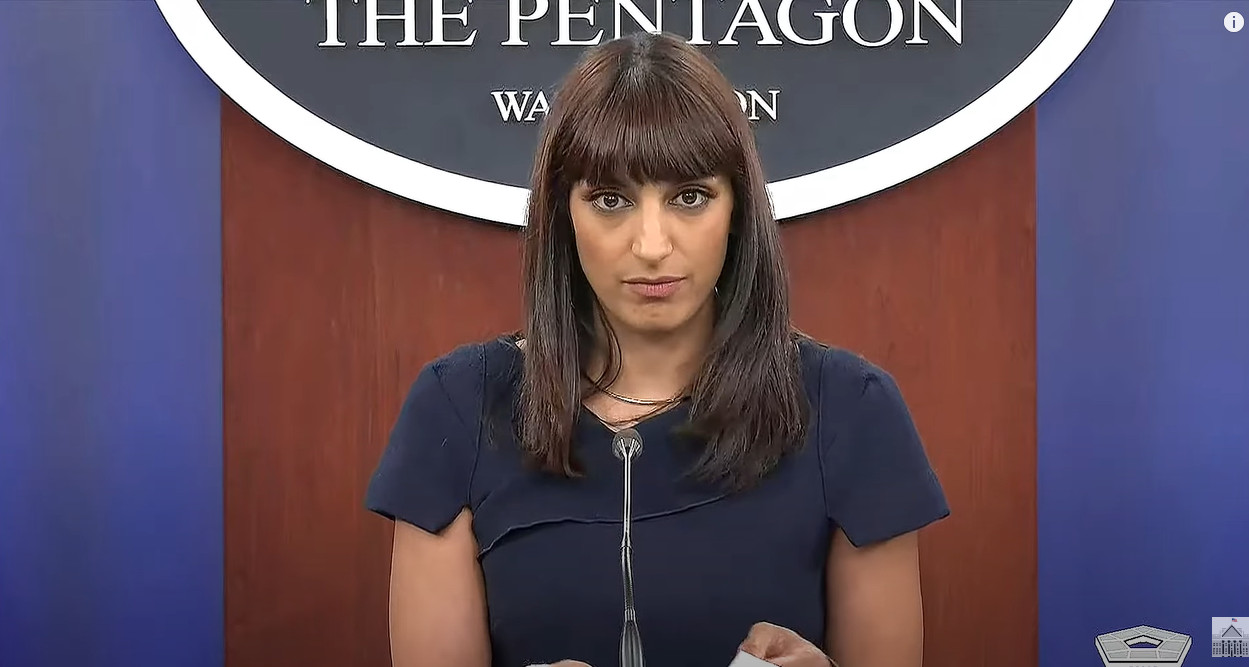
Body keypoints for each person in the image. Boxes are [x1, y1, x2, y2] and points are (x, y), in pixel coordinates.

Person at [365, 31, 949, 667]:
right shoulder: (458, 407)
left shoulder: (850, 409)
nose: (651, 245)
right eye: (610, 200)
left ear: (738, 210)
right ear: (563, 215)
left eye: (689, 197)